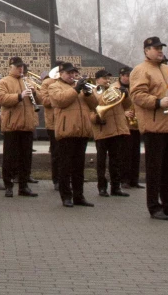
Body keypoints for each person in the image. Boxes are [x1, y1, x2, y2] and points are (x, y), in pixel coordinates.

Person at [129, 36, 168, 221]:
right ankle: (154, 207)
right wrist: (157, 102)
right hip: (154, 127)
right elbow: (137, 96)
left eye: (161, 48)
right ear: (146, 50)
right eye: (155, 48)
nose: (159, 51)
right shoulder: (140, 71)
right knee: (155, 171)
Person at [48, 64, 98, 208]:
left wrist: (88, 93)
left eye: (74, 73)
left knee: (78, 167)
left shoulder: (79, 87)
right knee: (65, 166)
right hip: (66, 132)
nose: (72, 75)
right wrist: (76, 89)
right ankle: (66, 196)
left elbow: (95, 104)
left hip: (81, 132)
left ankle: (79, 196)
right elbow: (60, 100)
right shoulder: (55, 86)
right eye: (69, 73)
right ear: (61, 73)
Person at [0, 57, 41, 197]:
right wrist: (20, 96)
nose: (20, 69)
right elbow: (2, 99)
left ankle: (23, 186)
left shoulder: (28, 81)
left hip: (27, 125)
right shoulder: (3, 82)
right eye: (17, 66)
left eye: (21, 66)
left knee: (26, 158)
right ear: (10, 67)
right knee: (10, 158)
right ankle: (8, 185)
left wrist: (34, 93)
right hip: (12, 126)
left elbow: (41, 100)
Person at [91, 68, 130, 198]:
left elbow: (127, 105)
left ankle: (116, 187)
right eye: (104, 78)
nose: (107, 81)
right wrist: (96, 118)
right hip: (102, 130)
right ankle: (102, 187)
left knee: (116, 160)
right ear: (97, 80)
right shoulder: (92, 92)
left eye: (108, 78)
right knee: (101, 161)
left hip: (116, 129)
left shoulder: (115, 90)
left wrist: (126, 95)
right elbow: (90, 111)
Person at [117, 65, 143, 189]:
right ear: (121, 76)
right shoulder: (116, 88)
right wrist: (124, 113)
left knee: (135, 154)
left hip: (135, 125)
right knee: (124, 154)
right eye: (127, 76)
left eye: (130, 76)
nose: (129, 78)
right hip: (123, 125)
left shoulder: (134, 88)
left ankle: (134, 179)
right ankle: (124, 179)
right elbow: (112, 107)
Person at [39, 68, 59, 190]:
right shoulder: (47, 83)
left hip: (67, 122)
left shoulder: (72, 84)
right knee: (56, 153)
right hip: (53, 122)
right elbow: (45, 101)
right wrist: (61, 97)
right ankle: (56, 179)